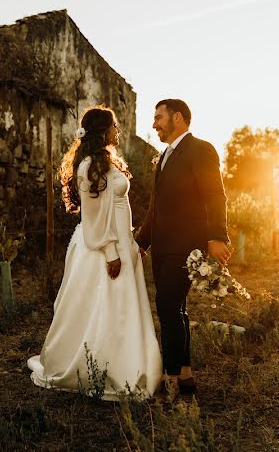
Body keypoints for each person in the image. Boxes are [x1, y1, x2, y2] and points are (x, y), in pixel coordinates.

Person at [28, 105, 162, 400]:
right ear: (103, 130)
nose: (118, 130)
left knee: (121, 309)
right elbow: (93, 215)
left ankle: (124, 363)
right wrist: (112, 251)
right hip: (101, 246)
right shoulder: (89, 165)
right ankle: (100, 369)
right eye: (114, 125)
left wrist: (130, 243)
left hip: (120, 242)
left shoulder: (105, 161)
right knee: (99, 306)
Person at [135, 98, 231, 399]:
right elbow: (156, 207)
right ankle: (187, 375)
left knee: (166, 306)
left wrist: (217, 236)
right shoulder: (163, 156)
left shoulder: (201, 149)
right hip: (162, 248)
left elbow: (215, 195)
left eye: (158, 117)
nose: (154, 124)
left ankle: (171, 377)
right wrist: (142, 242)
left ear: (178, 117)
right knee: (176, 308)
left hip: (187, 247)